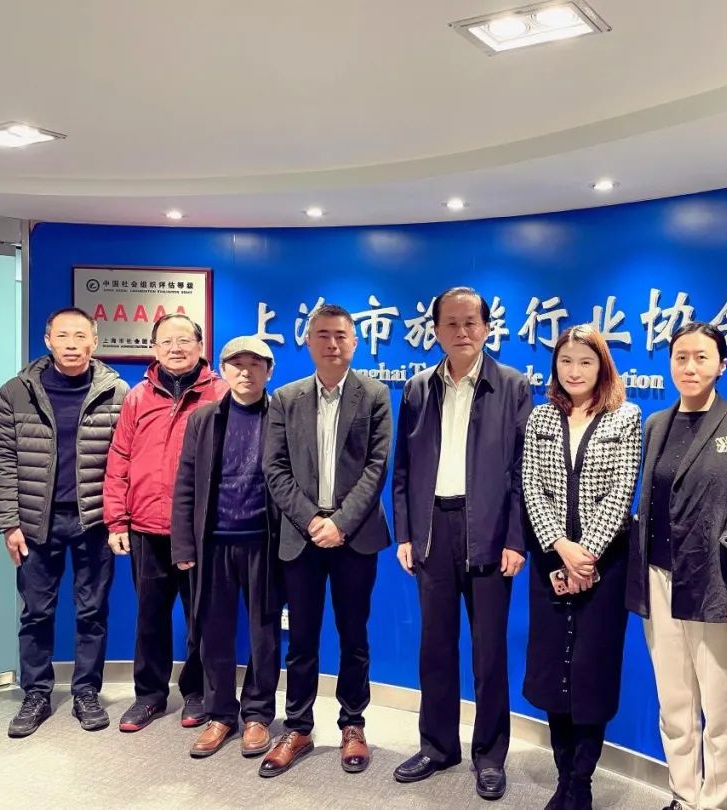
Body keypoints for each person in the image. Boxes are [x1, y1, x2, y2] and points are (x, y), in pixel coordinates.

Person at [392, 286, 532, 801]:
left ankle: (490, 756)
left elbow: (523, 472)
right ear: (435, 331)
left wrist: (516, 539)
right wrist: (405, 532)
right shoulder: (417, 388)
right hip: (433, 530)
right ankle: (437, 746)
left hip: (490, 533)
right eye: (450, 323)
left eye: (471, 322)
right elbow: (402, 470)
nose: (462, 331)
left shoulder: (511, 386)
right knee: (435, 647)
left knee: (489, 652)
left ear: (487, 328)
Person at [626, 322, 727, 810]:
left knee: (722, 714)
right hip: (659, 580)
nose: (689, 366)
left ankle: (715, 804)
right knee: (676, 705)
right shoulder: (656, 424)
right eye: (681, 357)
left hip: (716, 586)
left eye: (702, 357)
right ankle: (683, 796)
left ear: (721, 365)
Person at [261, 303, 392, 778]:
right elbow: (274, 468)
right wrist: (313, 519)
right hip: (301, 537)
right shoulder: (285, 398)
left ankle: (353, 724)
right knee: (301, 639)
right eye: (322, 335)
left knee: (354, 637)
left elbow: (377, 467)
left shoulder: (374, 395)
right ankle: (298, 726)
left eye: (340, 335)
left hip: (355, 537)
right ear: (308, 341)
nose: (332, 344)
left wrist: (341, 523)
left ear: (354, 342)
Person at [0, 307, 128, 737]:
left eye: (80, 335)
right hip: (35, 522)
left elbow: (125, 461)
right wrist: (8, 523)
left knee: (92, 611)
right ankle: (36, 693)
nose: (72, 344)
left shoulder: (117, 391)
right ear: (48, 340)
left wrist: (119, 519)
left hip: (94, 521)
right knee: (36, 612)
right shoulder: (16, 392)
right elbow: (3, 461)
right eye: (63, 335)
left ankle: (86, 692)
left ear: (94, 341)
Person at [521, 324, 641, 810]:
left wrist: (585, 555)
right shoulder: (541, 416)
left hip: (603, 567)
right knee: (554, 674)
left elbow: (622, 490)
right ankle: (563, 777)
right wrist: (560, 548)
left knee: (591, 673)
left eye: (585, 362)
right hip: (550, 561)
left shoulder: (626, 417)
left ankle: (582, 781)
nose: (575, 371)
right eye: (566, 361)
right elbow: (531, 485)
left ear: (601, 366)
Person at [104, 313, 228, 732]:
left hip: (200, 530)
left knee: (202, 617)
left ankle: (197, 691)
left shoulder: (220, 393)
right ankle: (150, 696)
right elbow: (119, 458)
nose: (175, 348)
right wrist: (116, 520)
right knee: (150, 616)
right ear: (154, 348)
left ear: (200, 346)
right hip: (146, 527)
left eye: (184, 340)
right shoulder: (138, 396)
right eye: (166, 341)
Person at [170, 337, 281, 760]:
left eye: (255, 364)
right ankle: (220, 714)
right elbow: (186, 483)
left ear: (269, 371)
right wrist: (183, 543)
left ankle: (257, 715)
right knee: (213, 632)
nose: (246, 372)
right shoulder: (204, 418)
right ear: (223, 370)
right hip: (213, 543)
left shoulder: (281, 415)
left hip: (264, 543)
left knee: (264, 635)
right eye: (237, 364)